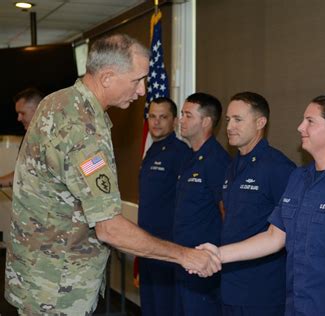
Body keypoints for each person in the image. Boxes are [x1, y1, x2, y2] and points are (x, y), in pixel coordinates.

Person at [4, 34, 221, 315]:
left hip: (36, 273)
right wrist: (186, 255)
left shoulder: (57, 101)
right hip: (56, 287)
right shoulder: (83, 129)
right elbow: (109, 227)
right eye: (137, 80)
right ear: (107, 77)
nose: (143, 90)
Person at [198, 94, 325, 316]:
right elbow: (274, 236)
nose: (300, 127)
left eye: (310, 121)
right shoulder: (298, 178)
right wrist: (218, 254)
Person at [221, 92, 295, 315]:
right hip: (230, 282)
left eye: (238, 119)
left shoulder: (278, 167)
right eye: (228, 120)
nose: (230, 126)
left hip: (261, 288)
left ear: (260, 123)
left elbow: (288, 229)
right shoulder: (233, 165)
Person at [174, 92, 230, 315]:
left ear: (206, 122)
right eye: (181, 114)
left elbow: (226, 212)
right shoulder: (190, 157)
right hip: (184, 260)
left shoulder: (217, 160)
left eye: (188, 115)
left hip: (203, 265)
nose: (181, 120)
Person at [138, 97, 192, 315]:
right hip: (145, 242)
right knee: (149, 305)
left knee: (165, 306)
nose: (156, 122)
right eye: (152, 116)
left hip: (166, 244)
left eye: (163, 117)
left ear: (174, 121)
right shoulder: (151, 151)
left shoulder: (181, 153)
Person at [0, 87, 43, 187]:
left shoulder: (62, 134)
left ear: (38, 109)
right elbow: (22, 173)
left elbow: (86, 165)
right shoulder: (29, 138)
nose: (18, 118)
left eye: (22, 113)